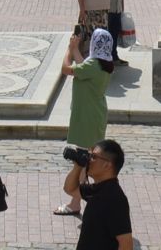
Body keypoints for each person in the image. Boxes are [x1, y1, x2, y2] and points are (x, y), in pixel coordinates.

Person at [55, 30, 114, 218]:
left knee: (82, 161)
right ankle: (77, 201)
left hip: (86, 118)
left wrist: (70, 49)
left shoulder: (93, 65)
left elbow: (66, 69)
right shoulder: (103, 65)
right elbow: (84, 66)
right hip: (94, 115)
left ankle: (80, 201)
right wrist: (76, 52)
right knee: (86, 160)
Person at [73, 138, 133, 250]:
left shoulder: (115, 199)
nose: (89, 160)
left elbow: (126, 244)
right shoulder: (96, 188)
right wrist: (78, 165)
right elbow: (70, 189)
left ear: (107, 165)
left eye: (94, 157)